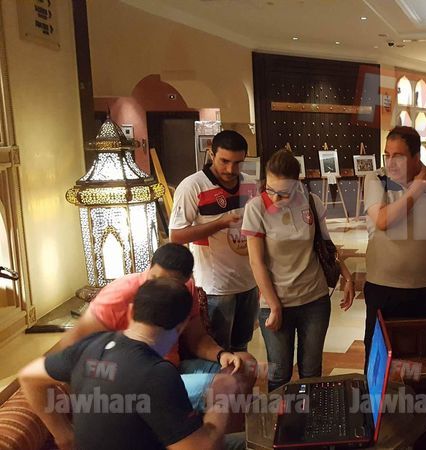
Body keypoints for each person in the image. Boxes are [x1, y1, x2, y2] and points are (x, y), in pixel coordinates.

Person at [19, 278, 240, 450]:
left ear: (132, 310)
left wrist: (63, 435)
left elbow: (28, 376)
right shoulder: (156, 374)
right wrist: (221, 399)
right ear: (181, 327)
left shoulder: (88, 346)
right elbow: (201, 447)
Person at [55, 243, 255, 410]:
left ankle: (232, 437)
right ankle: (207, 437)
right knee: (226, 387)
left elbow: (197, 338)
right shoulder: (118, 295)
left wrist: (221, 355)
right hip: (137, 381)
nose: (157, 287)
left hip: (171, 369)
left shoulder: (187, 291)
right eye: (154, 278)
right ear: (149, 267)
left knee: (244, 366)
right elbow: (69, 349)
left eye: (168, 283)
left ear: (185, 281)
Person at [242, 149, 355, 391]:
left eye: (284, 193)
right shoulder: (256, 208)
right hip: (276, 302)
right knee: (279, 373)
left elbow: (326, 246)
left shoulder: (312, 203)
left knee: (311, 372)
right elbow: (256, 262)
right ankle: (280, 416)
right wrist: (274, 306)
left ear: (297, 184)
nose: (275, 198)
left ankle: (312, 413)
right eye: (270, 189)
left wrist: (347, 277)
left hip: (314, 299)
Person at [362, 126, 426, 369]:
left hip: (424, 287)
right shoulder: (376, 179)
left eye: (398, 156)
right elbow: (383, 220)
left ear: (416, 157)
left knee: (421, 357)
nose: (390, 162)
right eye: (387, 155)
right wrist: (417, 189)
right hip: (382, 287)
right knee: (379, 358)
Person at [170, 130, 260, 353]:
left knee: (241, 346)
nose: (230, 169)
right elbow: (177, 235)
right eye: (224, 161)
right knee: (218, 350)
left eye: (237, 163)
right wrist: (219, 223)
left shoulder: (250, 184)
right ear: (211, 154)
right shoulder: (192, 186)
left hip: (248, 281)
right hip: (215, 287)